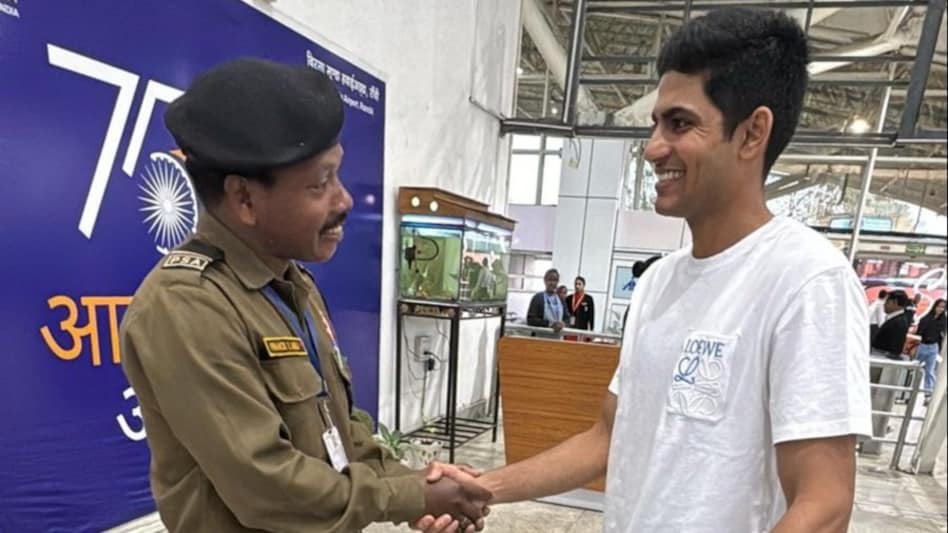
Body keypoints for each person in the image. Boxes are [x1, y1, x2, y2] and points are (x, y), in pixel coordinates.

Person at [432, 8, 871, 532]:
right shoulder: (659, 283)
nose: (653, 148)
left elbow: (824, 504)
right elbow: (607, 439)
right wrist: (482, 489)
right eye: (655, 124)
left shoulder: (805, 279)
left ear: (753, 133)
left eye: (680, 124)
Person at [119, 58, 488, 533]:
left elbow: (339, 428)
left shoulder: (293, 286)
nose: (344, 201)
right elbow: (266, 487)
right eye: (320, 184)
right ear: (244, 199)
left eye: (337, 175)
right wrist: (410, 495)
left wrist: (414, 487)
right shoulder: (186, 305)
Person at [915, 298, 947, 398]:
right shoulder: (926, 318)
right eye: (939, 306)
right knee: (915, 368)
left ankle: (928, 393)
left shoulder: (944, 321)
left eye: (943, 307)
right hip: (922, 345)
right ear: (935, 306)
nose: (940, 309)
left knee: (930, 371)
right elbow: (919, 332)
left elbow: (942, 335)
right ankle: (910, 391)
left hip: (933, 347)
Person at [872, 290, 911, 360]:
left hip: (882, 360)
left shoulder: (900, 323)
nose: (884, 304)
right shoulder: (894, 319)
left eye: (887, 301)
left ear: (895, 302)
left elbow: (895, 350)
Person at [526, 269, 566, 333]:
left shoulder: (561, 300)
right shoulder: (537, 298)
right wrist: (550, 324)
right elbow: (530, 320)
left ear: (558, 282)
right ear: (545, 281)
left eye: (555, 280)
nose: (552, 283)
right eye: (550, 280)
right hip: (539, 338)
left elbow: (567, 318)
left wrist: (563, 324)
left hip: (557, 339)